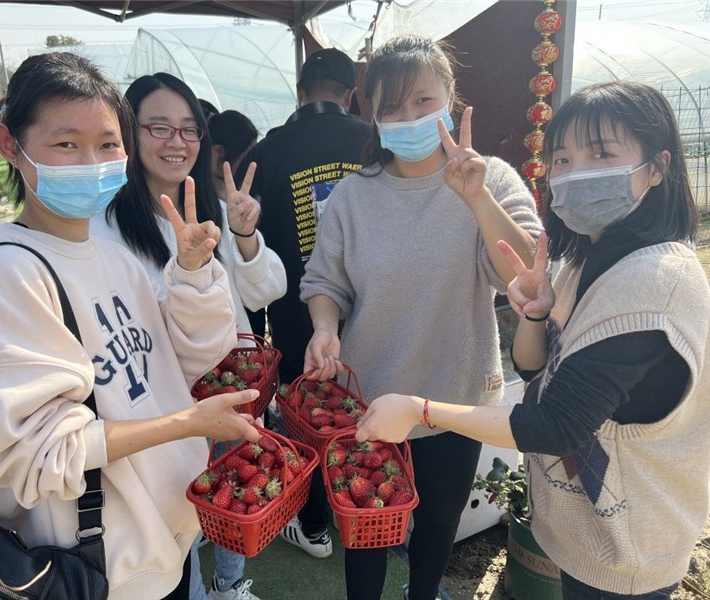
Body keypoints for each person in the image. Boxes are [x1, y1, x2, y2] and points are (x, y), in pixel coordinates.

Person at [355, 80, 710, 600]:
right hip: (583, 533)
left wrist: (420, 409)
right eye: (562, 159)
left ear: (657, 167)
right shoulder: (584, 261)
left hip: (628, 548)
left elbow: (553, 424)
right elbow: (534, 370)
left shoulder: (654, 284)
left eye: (602, 154)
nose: (577, 172)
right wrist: (537, 317)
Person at [0, 52, 262, 600]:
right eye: (66, 144)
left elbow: (190, 360)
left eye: (108, 144)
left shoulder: (111, 255)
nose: (91, 161)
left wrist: (192, 273)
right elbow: (37, 451)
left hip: (164, 544)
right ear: (10, 144)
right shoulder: (10, 271)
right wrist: (185, 424)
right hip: (97, 569)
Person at [299, 35, 542, 600]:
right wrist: (325, 326)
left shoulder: (492, 179)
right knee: (366, 536)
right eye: (391, 107)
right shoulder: (352, 196)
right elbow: (324, 281)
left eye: (423, 101)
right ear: (372, 115)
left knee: (437, 527)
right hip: (369, 402)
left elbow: (526, 275)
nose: (408, 117)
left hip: (455, 399)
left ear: (451, 100)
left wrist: (477, 198)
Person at [91, 76, 285, 600]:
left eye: (189, 129)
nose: (176, 142)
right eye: (158, 127)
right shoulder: (106, 228)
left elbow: (267, 288)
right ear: (128, 133)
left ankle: (230, 583)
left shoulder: (217, 211)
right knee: (180, 512)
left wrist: (244, 234)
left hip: (232, 383)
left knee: (233, 486)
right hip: (166, 406)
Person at [237, 47, 372, 560]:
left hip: (297, 320)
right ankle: (362, 511)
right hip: (369, 312)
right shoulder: (375, 145)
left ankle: (314, 525)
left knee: (310, 419)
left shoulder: (265, 153)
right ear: (352, 94)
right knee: (365, 409)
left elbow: (247, 249)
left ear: (299, 93)